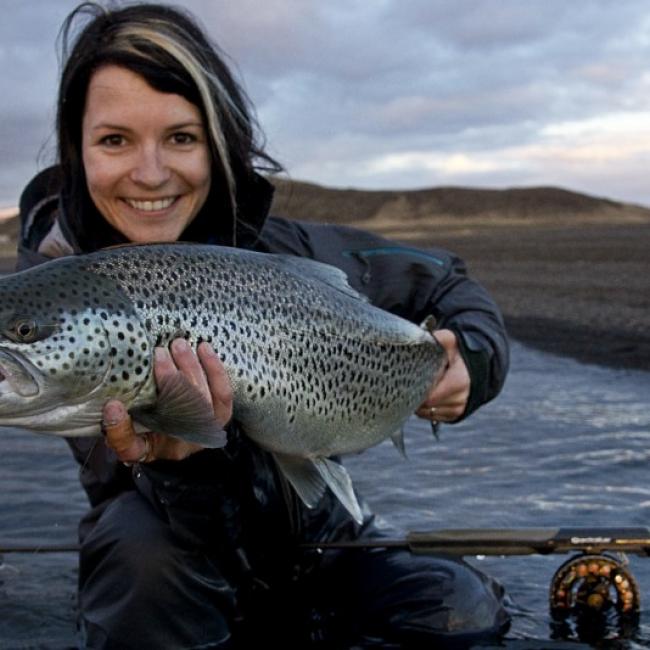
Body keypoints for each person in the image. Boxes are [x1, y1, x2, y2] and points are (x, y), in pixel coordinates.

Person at [17, 3, 511, 648]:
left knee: (458, 613)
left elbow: (447, 280)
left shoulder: (292, 251)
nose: (150, 173)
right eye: (115, 140)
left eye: (181, 138)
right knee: (144, 556)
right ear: (76, 151)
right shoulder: (59, 284)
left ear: (219, 140)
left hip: (325, 535)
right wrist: (185, 467)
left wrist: (469, 361)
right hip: (164, 552)